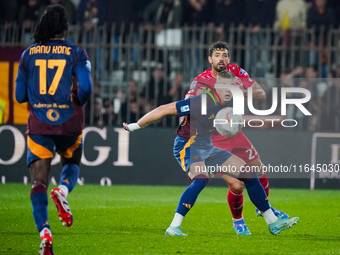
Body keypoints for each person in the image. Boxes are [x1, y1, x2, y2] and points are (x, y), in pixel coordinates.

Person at [123, 70, 299, 236]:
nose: (228, 90)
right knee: (201, 179)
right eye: (224, 86)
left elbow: (247, 106)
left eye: (232, 86)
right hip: (188, 145)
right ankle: (174, 226)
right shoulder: (203, 101)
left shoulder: (230, 101)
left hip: (207, 146)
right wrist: (135, 126)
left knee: (250, 174)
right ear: (216, 86)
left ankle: (272, 222)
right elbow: (163, 109)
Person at [186, 41, 290, 235]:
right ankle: (238, 221)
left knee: (259, 168)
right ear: (210, 59)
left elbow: (260, 93)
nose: (221, 58)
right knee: (237, 183)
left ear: (229, 58)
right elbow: (188, 108)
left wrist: (239, 89)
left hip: (233, 132)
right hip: (212, 139)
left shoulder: (236, 72)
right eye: (217, 55)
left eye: (225, 55)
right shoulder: (200, 81)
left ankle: (263, 208)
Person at [15, 5, 92, 255]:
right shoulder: (76, 52)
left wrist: (38, 97)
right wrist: (77, 100)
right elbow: (86, 89)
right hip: (69, 121)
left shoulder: (28, 54)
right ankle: (63, 190)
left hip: (39, 123)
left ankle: (45, 232)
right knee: (72, 162)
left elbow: (18, 96)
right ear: (64, 28)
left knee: (38, 181)